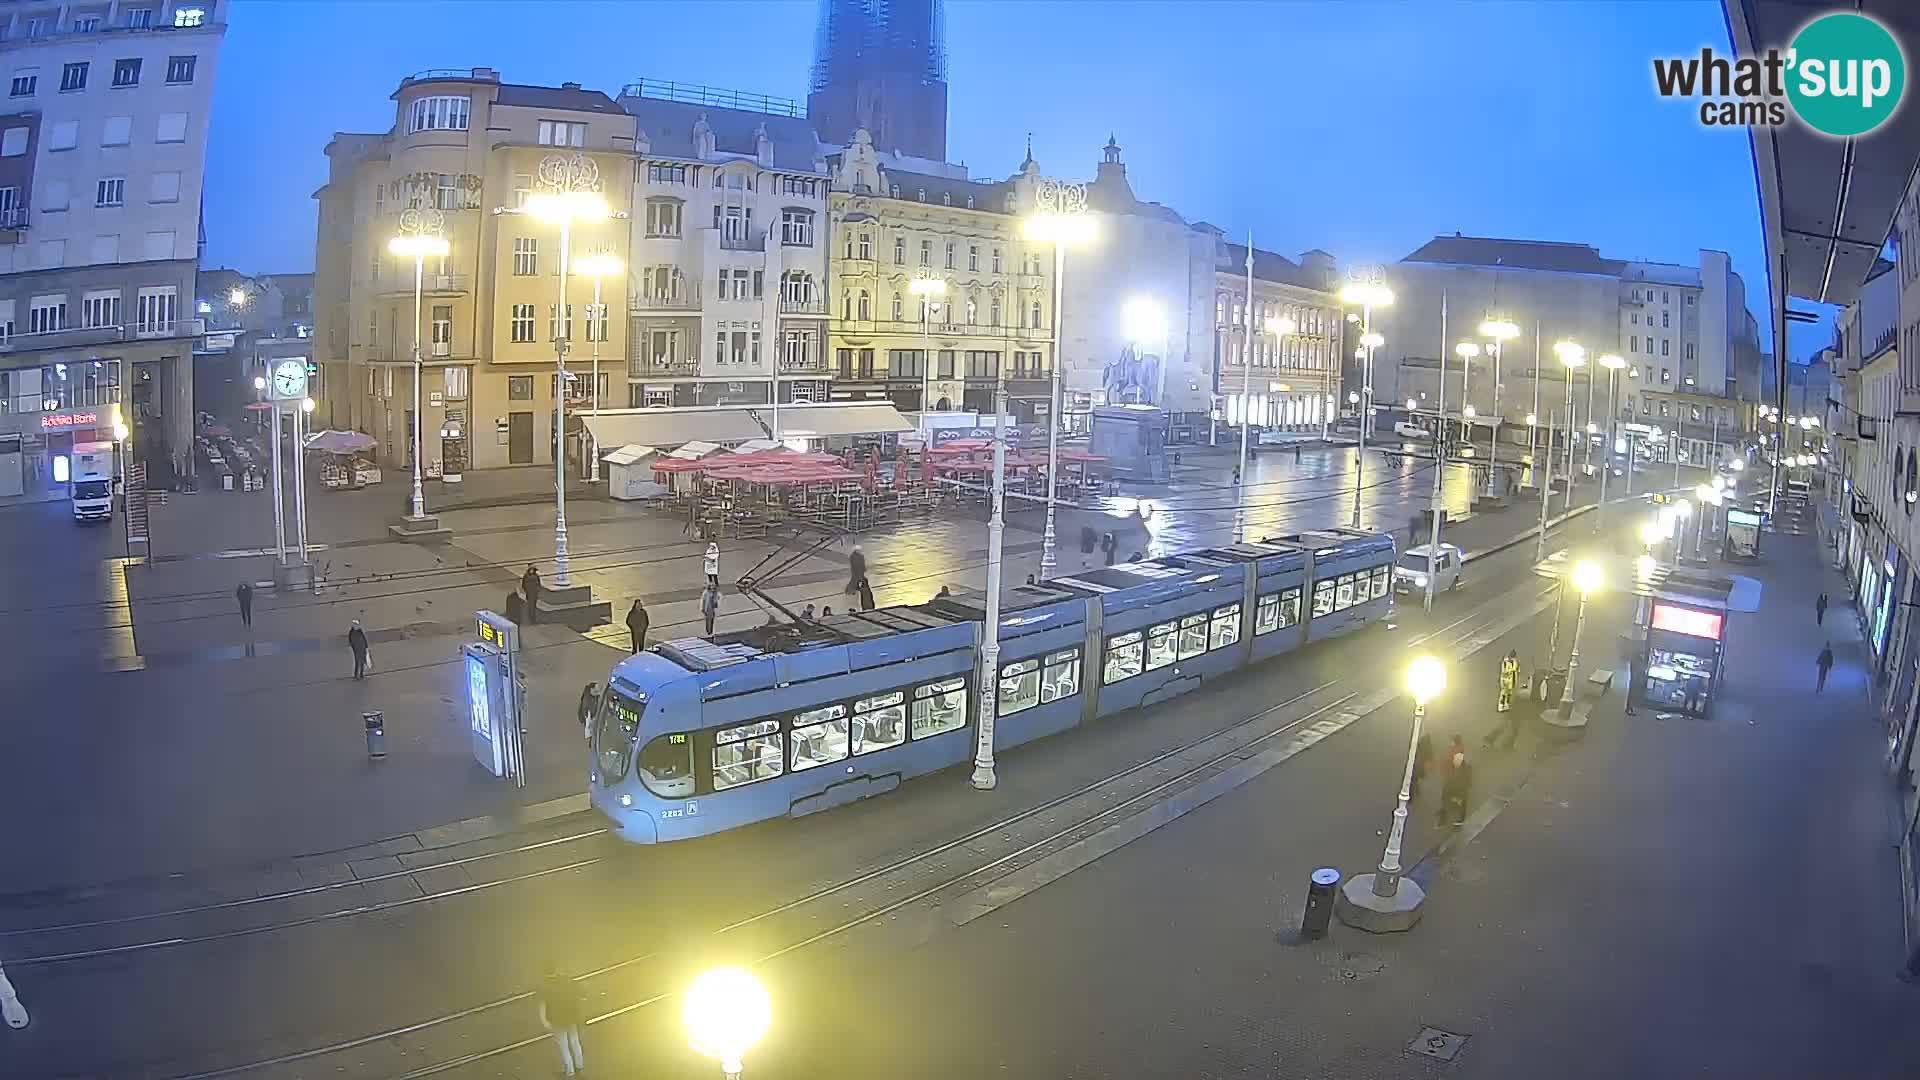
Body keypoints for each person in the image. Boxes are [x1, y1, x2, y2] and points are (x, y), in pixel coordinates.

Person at [536, 966, 587, 1077]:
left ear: (544, 973)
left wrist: (544, 1021)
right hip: (571, 1017)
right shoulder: (566, 980)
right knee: (575, 1041)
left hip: (557, 1020)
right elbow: (581, 993)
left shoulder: (544, 987)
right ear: (556, 970)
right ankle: (579, 1066)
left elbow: (542, 1005)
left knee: (564, 1046)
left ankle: (570, 1071)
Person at [1439, 741, 1472, 827]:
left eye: (1457, 760)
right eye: (1455, 760)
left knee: (1462, 803)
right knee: (1446, 799)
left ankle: (1461, 818)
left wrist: (1460, 796)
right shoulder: (1453, 765)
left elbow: (1467, 783)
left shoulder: (1466, 769)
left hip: (1460, 790)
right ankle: (1443, 816)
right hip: (1451, 787)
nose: (1455, 762)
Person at [1409, 732, 1434, 801]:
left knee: (1413, 779)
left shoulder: (1420, 744)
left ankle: (1412, 795)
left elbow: (1415, 751)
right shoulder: (1429, 747)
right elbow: (1430, 757)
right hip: (1420, 766)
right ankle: (1416, 792)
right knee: (1415, 779)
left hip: (1416, 764)